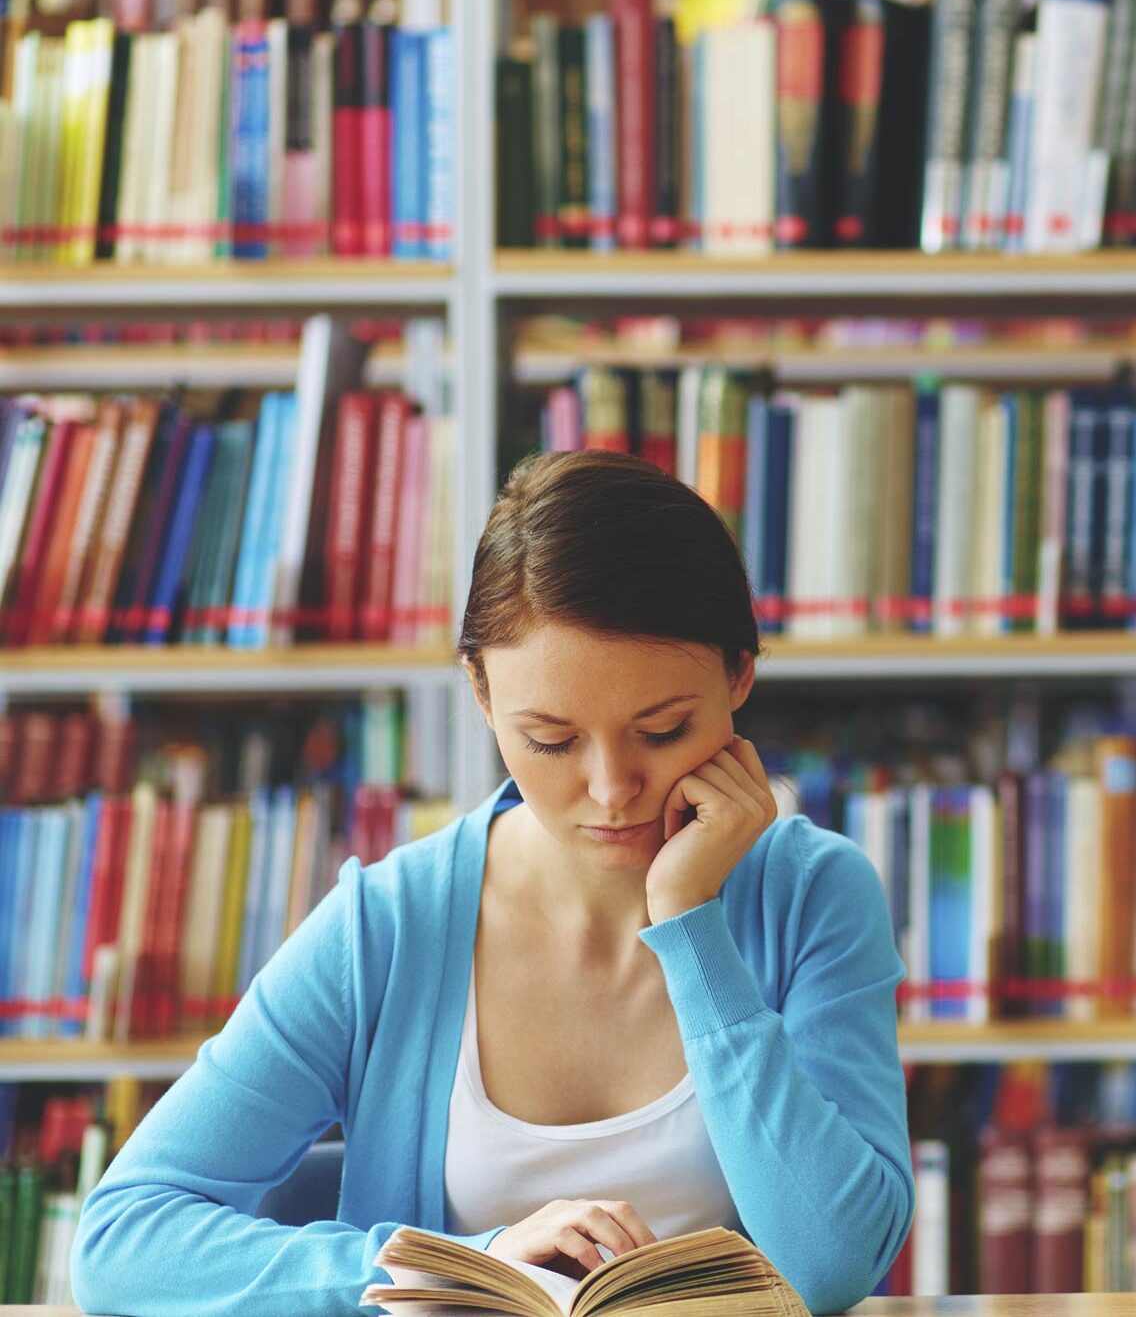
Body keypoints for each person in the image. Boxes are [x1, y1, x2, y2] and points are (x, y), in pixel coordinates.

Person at [71, 450, 913, 1317]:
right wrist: (461, 1266)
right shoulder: (387, 926)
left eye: (661, 730)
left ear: (739, 675)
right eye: (551, 740)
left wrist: (692, 925)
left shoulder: (816, 896)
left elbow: (832, 1263)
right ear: (479, 690)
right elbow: (120, 1245)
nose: (610, 788)